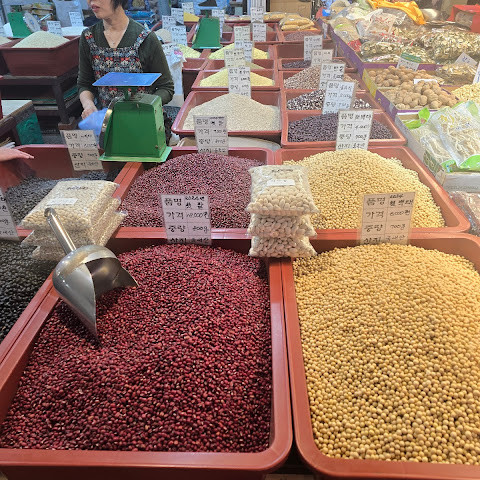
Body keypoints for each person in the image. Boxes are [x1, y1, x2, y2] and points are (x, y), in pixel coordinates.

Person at [77, 0, 174, 121]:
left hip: (144, 120)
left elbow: (166, 87)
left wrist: (147, 105)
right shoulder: (88, 37)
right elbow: (84, 84)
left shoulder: (146, 38)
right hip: (107, 122)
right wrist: (89, 105)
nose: (91, 2)